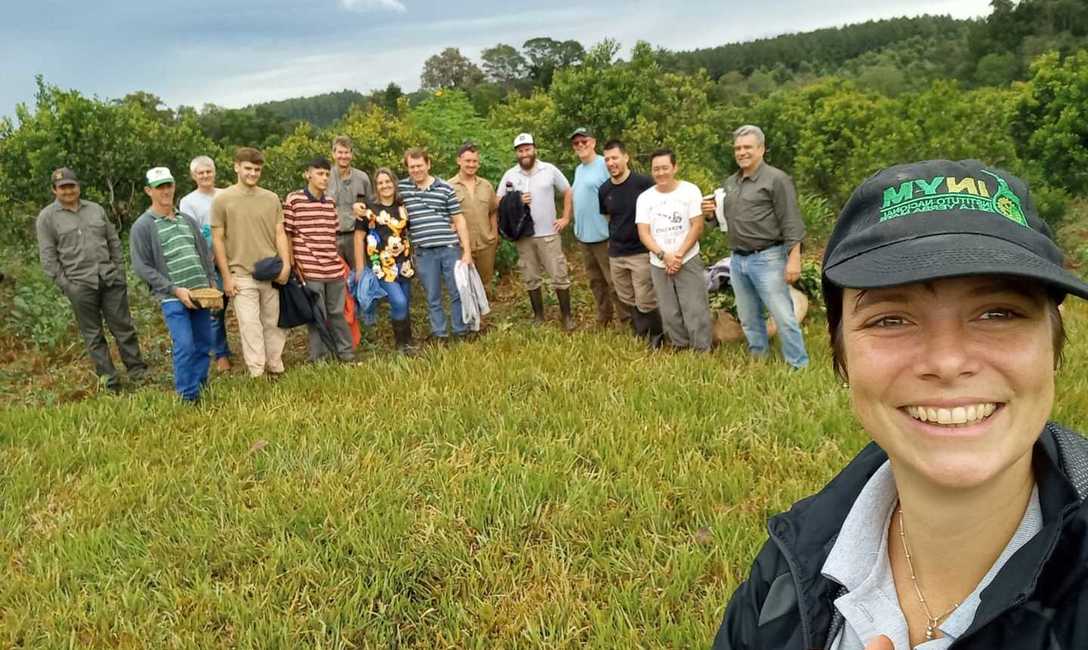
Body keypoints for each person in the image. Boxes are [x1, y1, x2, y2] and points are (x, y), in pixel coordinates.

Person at [712, 160, 1088, 650]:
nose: (947, 361)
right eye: (891, 319)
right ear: (841, 353)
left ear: (1053, 344)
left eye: (998, 313)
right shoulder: (792, 561)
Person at [705, 124, 808, 369]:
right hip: (738, 260)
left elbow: (791, 221)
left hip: (768, 258)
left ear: (761, 149)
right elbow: (725, 219)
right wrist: (710, 216)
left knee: (783, 316)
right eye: (738, 148)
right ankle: (758, 357)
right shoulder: (731, 183)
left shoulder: (777, 179)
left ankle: (798, 364)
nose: (742, 152)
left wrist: (794, 259)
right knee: (749, 317)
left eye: (747, 147)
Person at [35, 167, 147, 390]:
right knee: (93, 335)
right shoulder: (47, 218)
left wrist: (118, 271)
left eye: (71, 186)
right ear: (54, 190)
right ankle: (110, 380)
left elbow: (113, 241)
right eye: (62, 187)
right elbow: (48, 257)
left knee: (123, 327)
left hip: (109, 278)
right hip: (79, 284)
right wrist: (67, 286)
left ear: (78, 186)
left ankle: (137, 371)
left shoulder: (95, 209)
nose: (68, 191)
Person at [130, 167, 216, 402]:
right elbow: (142, 266)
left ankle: (201, 387)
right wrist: (173, 289)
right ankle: (187, 395)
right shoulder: (143, 226)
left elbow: (203, 252)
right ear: (149, 191)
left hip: (200, 292)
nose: (166, 191)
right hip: (173, 296)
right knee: (185, 345)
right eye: (160, 187)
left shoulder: (186, 220)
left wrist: (211, 281)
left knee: (204, 342)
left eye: (168, 185)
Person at [211, 147, 291, 378]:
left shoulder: (271, 198)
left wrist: (286, 265)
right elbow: (217, 239)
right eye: (248, 168)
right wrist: (226, 276)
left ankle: (275, 366)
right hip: (241, 274)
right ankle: (257, 372)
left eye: (257, 169)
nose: (252, 173)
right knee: (250, 326)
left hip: (271, 271)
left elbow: (280, 232)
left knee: (274, 322)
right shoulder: (223, 199)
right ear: (236, 167)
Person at [389, 147, 472, 342]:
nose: (416, 170)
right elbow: (381, 199)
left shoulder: (445, 188)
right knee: (432, 295)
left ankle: (461, 331)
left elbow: (459, 220)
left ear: (428, 165)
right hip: (424, 252)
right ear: (407, 168)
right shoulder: (402, 189)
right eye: (412, 167)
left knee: (456, 291)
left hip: (449, 248)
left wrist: (466, 251)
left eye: (419, 166)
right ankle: (440, 334)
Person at [496, 133, 576, 330]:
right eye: (520, 150)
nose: (524, 153)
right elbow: (498, 201)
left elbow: (567, 190)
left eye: (527, 149)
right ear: (516, 153)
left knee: (559, 274)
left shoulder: (549, 170)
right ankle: (538, 316)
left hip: (548, 233)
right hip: (523, 235)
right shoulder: (510, 175)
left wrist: (566, 217)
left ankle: (566, 317)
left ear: (534, 149)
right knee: (530, 276)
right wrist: (515, 199)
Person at [635, 148, 712, 352]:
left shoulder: (690, 191)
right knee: (668, 309)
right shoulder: (645, 198)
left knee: (694, 306)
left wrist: (678, 255)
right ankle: (679, 344)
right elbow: (644, 232)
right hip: (659, 262)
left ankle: (701, 348)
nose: (661, 173)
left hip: (687, 258)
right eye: (656, 169)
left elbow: (697, 225)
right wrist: (663, 255)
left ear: (675, 167)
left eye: (665, 168)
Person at [283, 156, 354, 363]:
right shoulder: (294, 199)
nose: (324, 178)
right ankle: (319, 358)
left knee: (337, 312)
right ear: (308, 174)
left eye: (326, 174)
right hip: (309, 268)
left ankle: (346, 353)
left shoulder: (330, 203)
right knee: (317, 315)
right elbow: (288, 232)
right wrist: (292, 262)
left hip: (332, 269)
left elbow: (333, 235)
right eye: (319, 173)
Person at [598, 139, 663, 344]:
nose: (611, 163)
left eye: (615, 157)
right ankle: (639, 332)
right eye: (607, 159)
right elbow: (609, 217)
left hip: (641, 251)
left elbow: (658, 212)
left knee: (645, 298)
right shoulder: (604, 190)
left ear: (626, 157)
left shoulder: (643, 184)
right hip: (617, 252)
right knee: (626, 297)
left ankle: (656, 337)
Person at [353, 167, 416, 353]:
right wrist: (359, 268)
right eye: (380, 183)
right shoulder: (368, 211)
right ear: (376, 187)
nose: (385, 185)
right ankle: (401, 345)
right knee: (399, 301)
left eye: (387, 181)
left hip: (404, 263)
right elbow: (358, 238)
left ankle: (408, 341)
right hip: (382, 266)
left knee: (406, 300)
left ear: (394, 183)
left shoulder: (403, 207)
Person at [570, 127, 628, 327]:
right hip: (585, 237)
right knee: (595, 282)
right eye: (576, 143)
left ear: (593, 142)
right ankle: (604, 317)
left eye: (583, 142)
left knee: (614, 281)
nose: (580, 146)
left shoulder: (604, 164)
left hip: (604, 235)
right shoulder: (579, 169)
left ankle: (625, 319)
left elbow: (617, 189)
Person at [179, 155, 231, 371]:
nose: (205, 175)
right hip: (208, 263)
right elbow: (192, 233)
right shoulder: (188, 201)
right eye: (200, 173)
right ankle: (220, 353)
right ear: (194, 176)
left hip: (233, 257)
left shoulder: (226, 195)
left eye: (208, 171)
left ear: (214, 172)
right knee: (215, 308)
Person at [447, 142, 500, 299]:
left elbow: (493, 211)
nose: (471, 165)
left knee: (485, 283)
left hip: (485, 244)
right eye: (467, 161)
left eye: (474, 161)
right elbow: (444, 215)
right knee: (465, 285)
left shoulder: (486, 186)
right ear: (459, 161)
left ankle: (482, 319)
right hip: (461, 246)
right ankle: (470, 321)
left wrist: (494, 233)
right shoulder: (448, 187)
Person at [329, 135, 373, 270]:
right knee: (337, 281)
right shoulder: (325, 177)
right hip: (331, 238)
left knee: (361, 278)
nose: (343, 156)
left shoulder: (362, 178)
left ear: (352, 154)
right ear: (333, 154)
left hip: (356, 237)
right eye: (340, 152)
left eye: (347, 152)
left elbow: (371, 207)